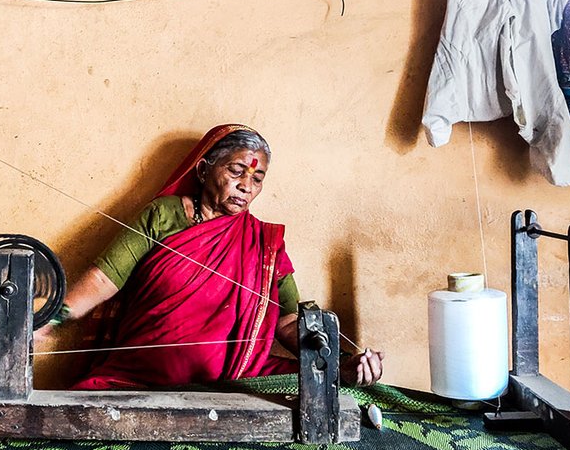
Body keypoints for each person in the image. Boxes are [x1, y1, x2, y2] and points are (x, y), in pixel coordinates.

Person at [46, 124, 384, 390]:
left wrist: (339, 363)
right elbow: (104, 279)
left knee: (323, 387)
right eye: (237, 171)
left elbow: (288, 321)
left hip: (238, 380)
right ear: (205, 169)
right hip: (142, 377)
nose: (246, 186)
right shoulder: (163, 216)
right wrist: (50, 320)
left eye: (257, 177)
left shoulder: (265, 243)